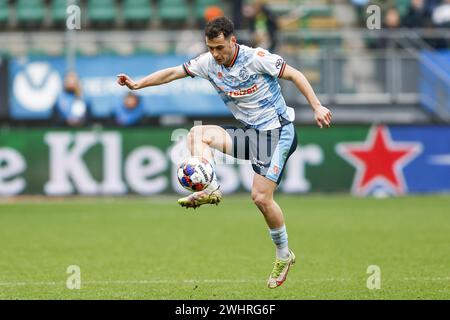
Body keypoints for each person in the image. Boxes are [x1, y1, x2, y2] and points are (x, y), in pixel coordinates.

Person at [117, 17, 332, 289]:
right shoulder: (208, 63)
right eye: (210, 48)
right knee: (196, 135)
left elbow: (295, 74)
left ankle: (283, 254)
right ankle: (212, 188)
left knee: (261, 198)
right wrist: (138, 85)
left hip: (278, 133)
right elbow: (173, 73)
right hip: (250, 133)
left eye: (219, 48)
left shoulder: (256, 58)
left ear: (233, 40)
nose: (215, 54)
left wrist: (316, 106)